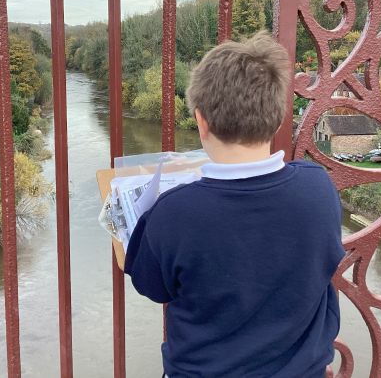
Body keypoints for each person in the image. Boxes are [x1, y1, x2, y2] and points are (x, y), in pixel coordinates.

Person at [124, 31, 344, 378]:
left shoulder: (172, 213)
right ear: (279, 117)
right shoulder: (318, 188)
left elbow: (151, 286)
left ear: (201, 122)